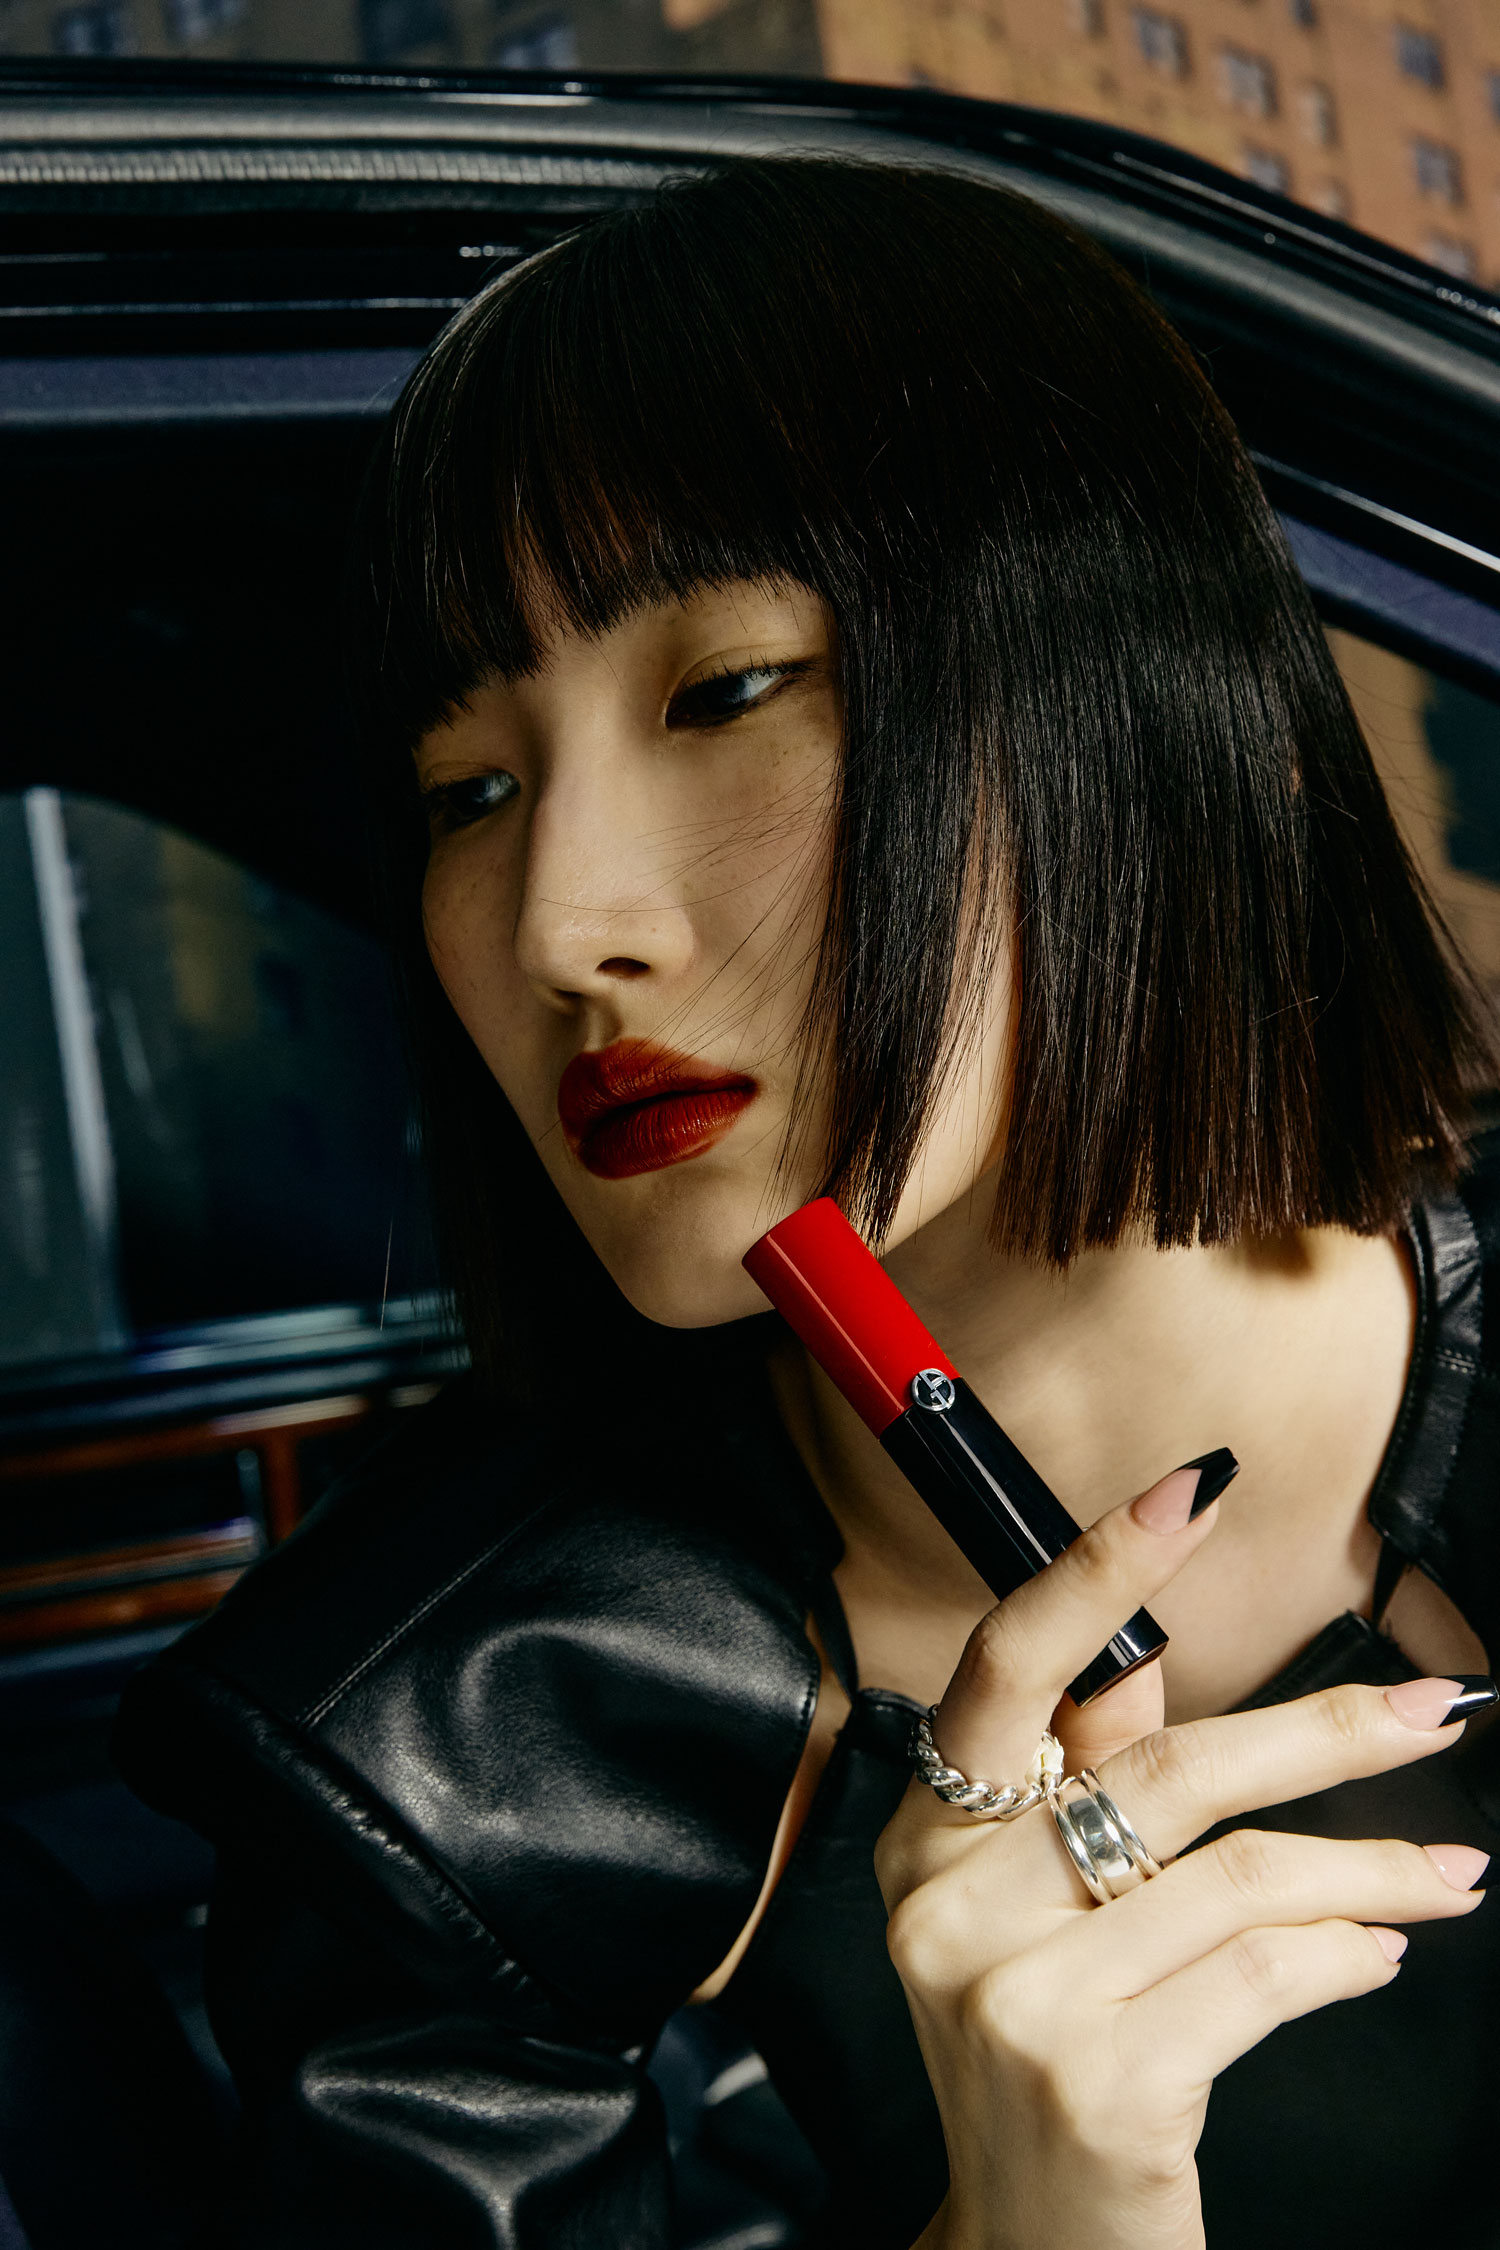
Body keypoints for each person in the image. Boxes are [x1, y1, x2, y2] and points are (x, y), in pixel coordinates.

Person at [116, 157, 1500, 2250]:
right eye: (467, 793)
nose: (563, 925)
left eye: (727, 690)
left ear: (1142, 690)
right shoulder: (442, 1739)